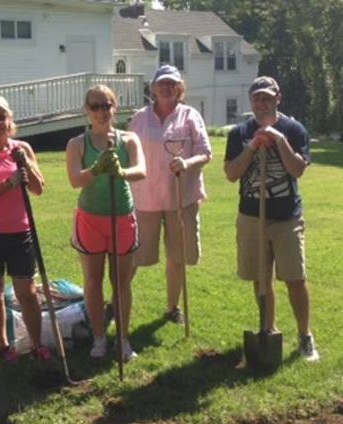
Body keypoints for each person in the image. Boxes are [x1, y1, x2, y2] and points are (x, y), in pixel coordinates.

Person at [224, 76, 319, 362]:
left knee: (294, 278)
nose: (262, 103)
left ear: (278, 98)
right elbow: (231, 174)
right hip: (252, 217)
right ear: (251, 101)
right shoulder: (240, 131)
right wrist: (252, 146)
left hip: (286, 217)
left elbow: (296, 170)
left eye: (267, 97)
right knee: (261, 279)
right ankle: (269, 329)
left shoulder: (294, 129)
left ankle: (305, 336)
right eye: (257, 98)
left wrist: (278, 140)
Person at [66, 85, 146, 360]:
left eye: (106, 105)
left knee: (121, 282)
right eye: (95, 106)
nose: (101, 111)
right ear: (86, 110)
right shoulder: (77, 143)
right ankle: (99, 339)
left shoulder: (129, 139)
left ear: (115, 107)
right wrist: (97, 168)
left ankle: (123, 340)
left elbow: (141, 170)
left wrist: (121, 171)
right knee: (92, 280)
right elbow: (75, 180)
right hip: (91, 217)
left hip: (121, 215)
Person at [128, 65, 212, 324]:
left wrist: (187, 163)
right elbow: (128, 151)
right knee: (134, 255)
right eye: (162, 83)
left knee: (178, 256)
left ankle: (172, 307)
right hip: (145, 198)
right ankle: (117, 299)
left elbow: (205, 153)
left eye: (172, 84)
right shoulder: (139, 118)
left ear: (179, 88)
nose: (166, 88)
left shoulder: (190, 116)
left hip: (180, 199)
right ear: (153, 88)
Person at [0, 96, 53, 363]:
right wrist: (8, 184)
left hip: (20, 232)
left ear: (10, 120)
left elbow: (39, 189)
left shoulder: (23, 148)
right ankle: (4, 346)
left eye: (1, 117)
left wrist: (25, 164)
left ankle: (36, 344)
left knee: (27, 293)